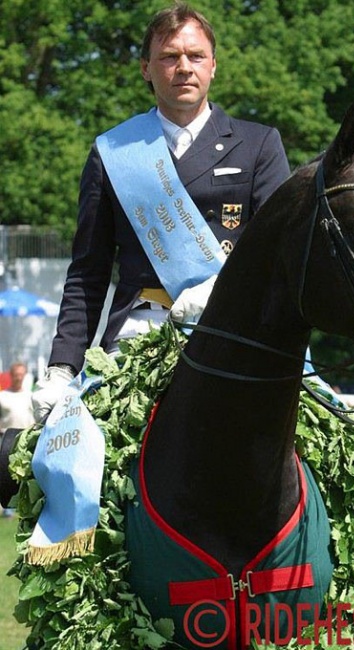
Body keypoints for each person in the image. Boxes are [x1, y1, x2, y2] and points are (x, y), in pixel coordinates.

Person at [32, 2, 290, 423]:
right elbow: (88, 272)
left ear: (213, 66)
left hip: (235, 330)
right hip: (138, 334)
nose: (184, 67)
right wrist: (63, 366)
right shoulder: (113, 152)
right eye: (169, 57)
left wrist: (217, 292)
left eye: (196, 56)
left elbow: (279, 253)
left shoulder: (259, 144)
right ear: (146, 69)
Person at [0, 362, 35, 516]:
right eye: (16, 374)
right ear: (11, 375)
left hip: (24, 439)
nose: (19, 377)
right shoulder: (2, 396)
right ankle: (7, 510)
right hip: (5, 439)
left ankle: (23, 507)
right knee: (4, 473)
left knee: (23, 474)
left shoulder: (30, 396)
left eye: (22, 374)